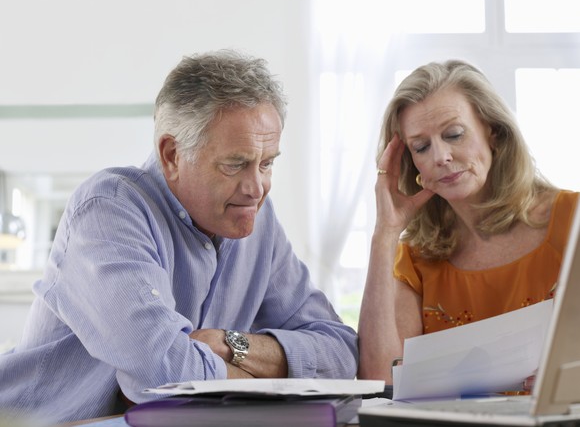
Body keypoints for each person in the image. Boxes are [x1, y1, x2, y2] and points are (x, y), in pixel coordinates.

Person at [0, 50, 358, 424]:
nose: (257, 188)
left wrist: (229, 344)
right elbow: (167, 376)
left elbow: (341, 352)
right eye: (235, 164)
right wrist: (282, 379)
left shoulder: (257, 219)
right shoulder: (108, 209)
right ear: (172, 154)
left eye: (267, 164)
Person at [357, 59, 578, 384]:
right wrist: (385, 234)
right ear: (410, 162)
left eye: (454, 135)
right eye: (421, 146)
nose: (440, 157)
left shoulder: (571, 219)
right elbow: (381, 379)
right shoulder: (416, 258)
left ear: (494, 132)